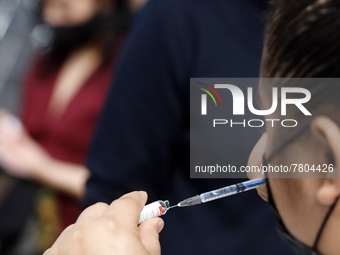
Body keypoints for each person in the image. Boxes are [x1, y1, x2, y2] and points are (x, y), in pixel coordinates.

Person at [44, 0, 340, 254]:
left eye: (271, 129)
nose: (254, 167)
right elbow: (113, 185)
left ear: (329, 155)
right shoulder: (179, 17)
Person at [0, 0, 131, 249]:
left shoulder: (127, 66)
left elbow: (127, 187)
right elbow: (35, 134)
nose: (52, 14)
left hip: (78, 232)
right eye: (47, 7)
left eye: (64, 6)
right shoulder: (48, 59)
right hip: (22, 219)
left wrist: (41, 167)